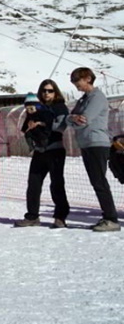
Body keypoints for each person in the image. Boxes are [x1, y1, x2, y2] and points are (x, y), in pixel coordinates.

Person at [67, 67, 120, 232]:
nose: (76, 85)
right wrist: (72, 118)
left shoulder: (97, 98)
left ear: (88, 78)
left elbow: (84, 120)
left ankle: (111, 218)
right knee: (96, 181)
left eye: (78, 81)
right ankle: (107, 216)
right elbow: (71, 119)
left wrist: (75, 119)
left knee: (99, 181)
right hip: (86, 143)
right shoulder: (83, 99)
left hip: (97, 143)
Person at [13, 80, 70, 228]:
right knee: (33, 184)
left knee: (57, 184)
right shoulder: (35, 108)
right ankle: (32, 216)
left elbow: (60, 127)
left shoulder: (59, 107)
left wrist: (44, 124)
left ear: (55, 92)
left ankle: (60, 217)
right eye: (44, 90)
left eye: (50, 91)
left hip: (55, 149)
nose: (46, 93)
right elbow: (26, 128)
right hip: (39, 150)